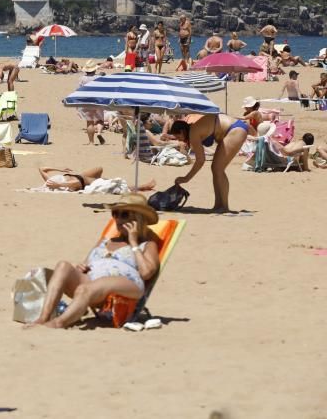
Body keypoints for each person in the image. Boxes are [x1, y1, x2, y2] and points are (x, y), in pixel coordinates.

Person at [26, 194, 160, 329]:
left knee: (86, 289)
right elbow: (86, 264)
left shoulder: (147, 244)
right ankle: (43, 318)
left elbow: (146, 273)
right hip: (93, 284)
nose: (118, 219)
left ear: (138, 218)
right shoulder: (106, 241)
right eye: (115, 214)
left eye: (124, 214)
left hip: (127, 284)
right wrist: (80, 267)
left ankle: (58, 323)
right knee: (63, 266)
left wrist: (133, 242)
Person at [169, 115, 251, 212]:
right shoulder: (193, 130)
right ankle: (218, 205)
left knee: (218, 169)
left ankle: (224, 207)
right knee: (215, 168)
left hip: (235, 129)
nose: (179, 140)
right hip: (233, 128)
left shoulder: (193, 133)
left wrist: (186, 178)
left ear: (183, 131)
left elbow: (200, 161)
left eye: (178, 137)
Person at [39, 166, 156, 193]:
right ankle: (142, 186)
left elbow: (42, 169)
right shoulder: (61, 185)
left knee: (99, 168)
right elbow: (77, 183)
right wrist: (58, 185)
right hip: (85, 182)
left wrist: (60, 169)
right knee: (114, 184)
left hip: (81, 175)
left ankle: (104, 181)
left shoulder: (48, 181)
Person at [76, 61, 105, 145]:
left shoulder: (82, 78)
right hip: (97, 101)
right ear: (94, 69)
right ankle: (99, 133)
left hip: (86, 101)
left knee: (89, 122)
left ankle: (91, 141)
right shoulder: (98, 78)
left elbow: (79, 90)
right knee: (100, 120)